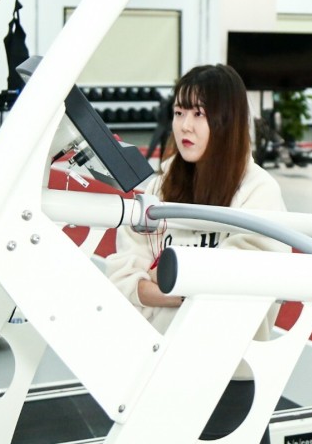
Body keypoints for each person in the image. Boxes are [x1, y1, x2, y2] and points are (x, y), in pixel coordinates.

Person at [104, 63, 288, 442]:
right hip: (158, 367)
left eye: (199, 114)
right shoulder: (160, 182)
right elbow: (122, 277)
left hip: (229, 379)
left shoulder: (258, 191)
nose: (184, 125)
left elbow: (234, 292)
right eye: (179, 112)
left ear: (227, 120)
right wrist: (184, 285)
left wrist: (160, 278)